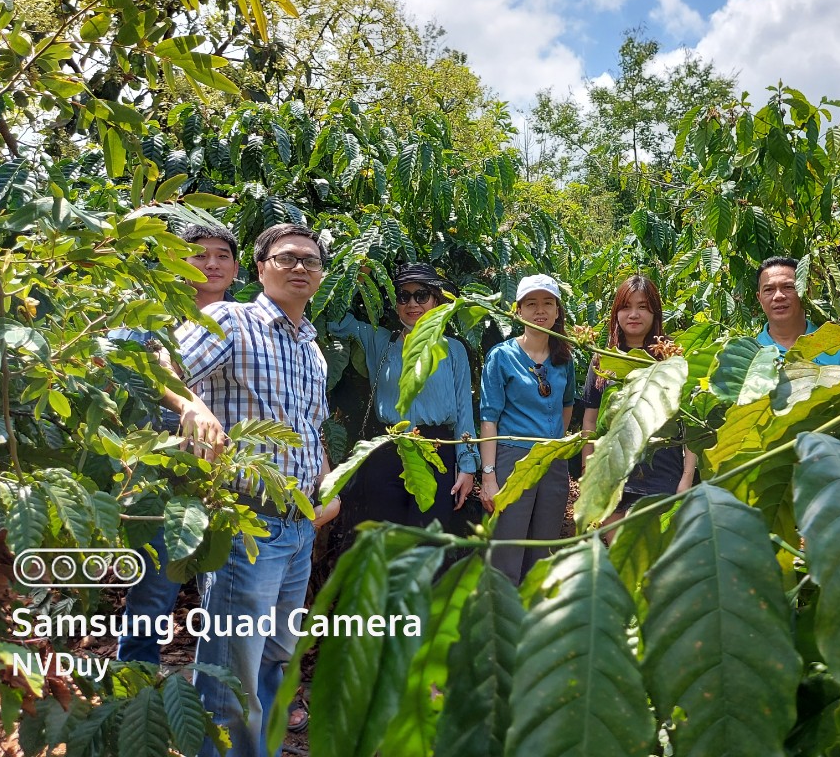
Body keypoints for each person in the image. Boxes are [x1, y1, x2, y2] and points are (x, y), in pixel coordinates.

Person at [165, 223, 340, 757]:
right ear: (260, 268)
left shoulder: (314, 350)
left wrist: (330, 485)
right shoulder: (231, 321)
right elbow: (159, 361)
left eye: (310, 261)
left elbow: (312, 430)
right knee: (232, 666)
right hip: (248, 520)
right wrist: (191, 406)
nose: (299, 268)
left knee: (274, 658)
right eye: (286, 258)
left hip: (299, 528)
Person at [115, 222, 239, 665]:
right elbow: (124, 369)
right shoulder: (151, 320)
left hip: (231, 480)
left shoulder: (246, 324)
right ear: (175, 261)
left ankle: (217, 702)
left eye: (222, 254)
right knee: (153, 593)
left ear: (238, 266)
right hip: (164, 478)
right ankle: (133, 692)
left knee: (230, 599)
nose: (211, 263)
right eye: (199, 253)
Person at [327, 262, 478, 533]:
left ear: (436, 300)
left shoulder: (454, 350)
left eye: (421, 295)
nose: (412, 304)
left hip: (437, 451)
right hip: (387, 450)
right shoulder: (379, 341)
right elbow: (335, 321)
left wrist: (467, 466)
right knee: (384, 540)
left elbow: (464, 412)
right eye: (403, 296)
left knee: (426, 541)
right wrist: (358, 278)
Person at [478, 274, 575, 585]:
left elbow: (567, 405)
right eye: (531, 304)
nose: (540, 310)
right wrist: (489, 475)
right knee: (507, 546)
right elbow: (489, 418)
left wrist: (557, 445)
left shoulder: (564, 358)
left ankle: (536, 621)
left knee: (544, 547)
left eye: (548, 303)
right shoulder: (502, 357)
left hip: (553, 460)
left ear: (558, 311)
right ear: (518, 310)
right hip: (512, 459)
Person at [580, 276, 695, 521]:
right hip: (613, 479)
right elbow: (590, 421)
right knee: (620, 556)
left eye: (642, 307)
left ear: (655, 313)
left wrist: (687, 477)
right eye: (626, 307)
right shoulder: (602, 359)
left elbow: (691, 422)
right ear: (616, 313)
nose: (634, 314)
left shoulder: (672, 360)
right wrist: (588, 472)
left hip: (662, 480)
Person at [754, 256, 840, 365]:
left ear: (806, 293)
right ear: (760, 298)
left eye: (788, 287)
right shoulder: (750, 354)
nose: (778, 296)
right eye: (769, 289)